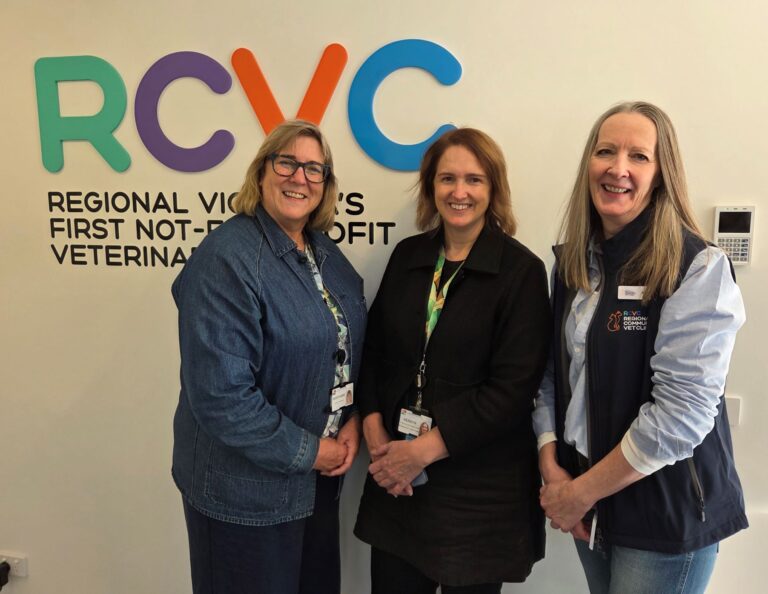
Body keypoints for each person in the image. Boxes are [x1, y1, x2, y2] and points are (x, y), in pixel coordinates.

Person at [533, 101, 748, 594]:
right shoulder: (572, 265)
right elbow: (550, 374)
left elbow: (682, 414)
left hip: (663, 516)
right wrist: (551, 466)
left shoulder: (697, 268)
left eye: (639, 156)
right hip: (588, 501)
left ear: (661, 173)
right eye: (605, 151)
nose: (618, 168)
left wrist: (579, 493)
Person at [171, 120, 366, 594]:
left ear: (325, 184)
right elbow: (222, 399)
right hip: (245, 500)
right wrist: (312, 452)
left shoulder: (323, 252)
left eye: (314, 169)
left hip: (315, 487)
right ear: (261, 172)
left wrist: (353, 418)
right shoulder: (226, 258)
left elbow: (341, 348)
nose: (300, 177)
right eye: (287, 163)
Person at [354, 128, 551, 593]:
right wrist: (376, 434)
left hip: (477, 493)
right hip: (399, 484)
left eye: (474, 180)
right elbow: (373, 351)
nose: (459, 192)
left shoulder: (521, 272)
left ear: (493, 189)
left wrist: (419, 453)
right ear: (431, 187)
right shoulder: (408, 256)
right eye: (447, 179)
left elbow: (512, 392)